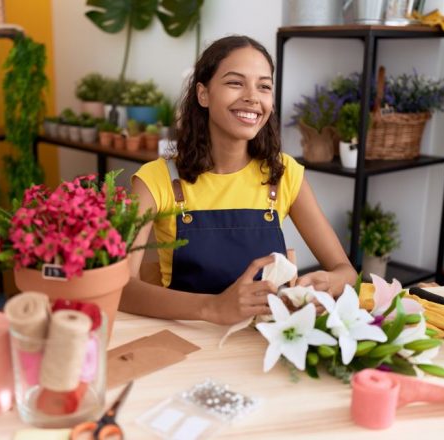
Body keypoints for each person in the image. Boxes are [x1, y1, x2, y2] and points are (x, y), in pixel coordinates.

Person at [121, 35, 356, 325]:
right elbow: (121, 289)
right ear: (203, 94)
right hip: (183, 339)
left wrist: (327, 283)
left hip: (260, 342)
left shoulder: (282, 174)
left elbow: (346, 271)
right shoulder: (156, 180)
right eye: (235, 83)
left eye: (264, 86)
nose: (252, 97)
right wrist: (213, 308)